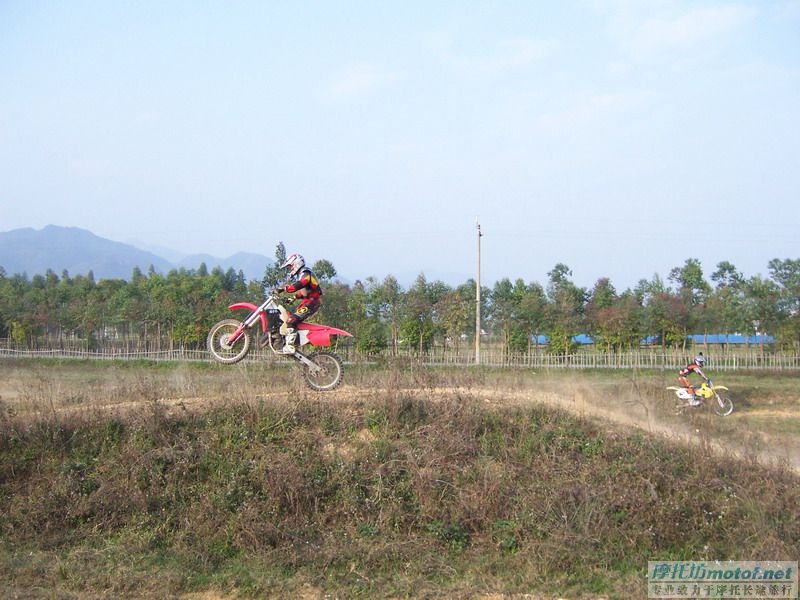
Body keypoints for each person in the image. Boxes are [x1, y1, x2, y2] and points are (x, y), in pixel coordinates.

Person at [275, 253, 323, 354]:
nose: (290, 269)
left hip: (311, 303)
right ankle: (290, 341)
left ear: (296, 263)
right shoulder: (302, 273)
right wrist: (293, 298)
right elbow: (305, 292)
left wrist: (285, 288)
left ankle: (290, 346)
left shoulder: (306, 272)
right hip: (308, 301)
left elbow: (301, 283)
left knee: (291, 320)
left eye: (290, 266)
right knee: (289, 318)